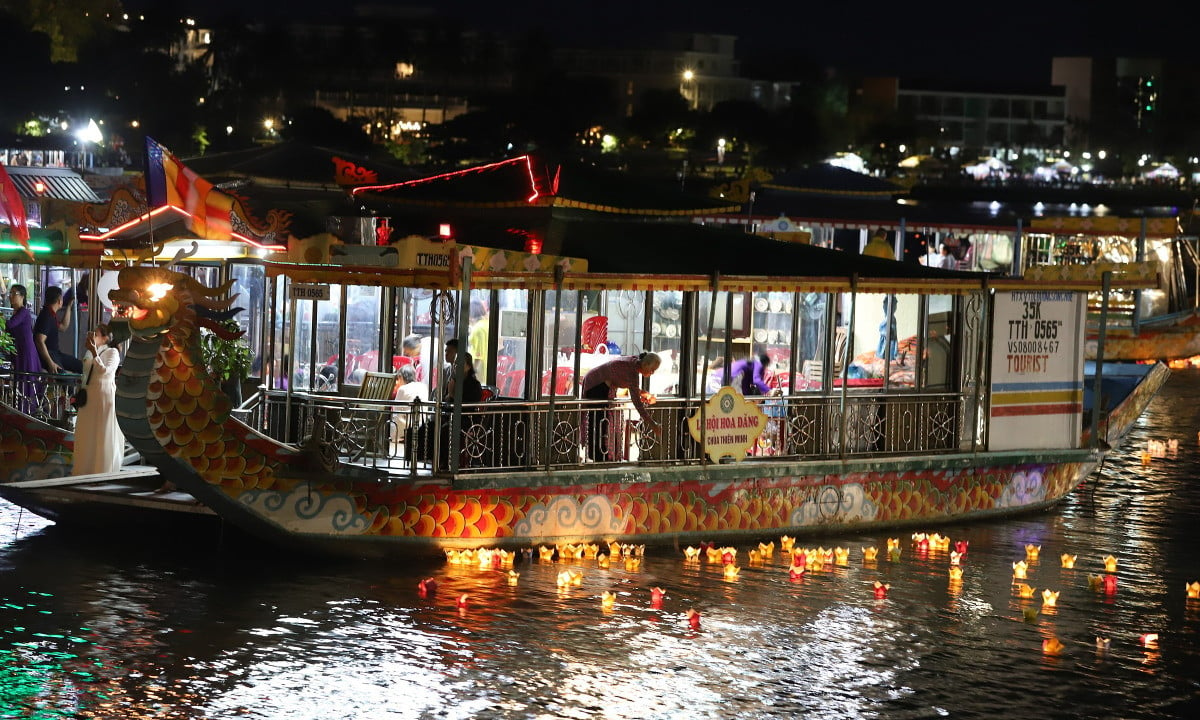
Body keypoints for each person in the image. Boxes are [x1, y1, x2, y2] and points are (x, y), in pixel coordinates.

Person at [581, 352, 661, 461]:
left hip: (601, 385)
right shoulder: (632, 369)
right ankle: (599, 457)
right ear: (645, 364)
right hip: (596, 385)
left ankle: (604, 455)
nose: (652, 373)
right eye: (652, 370)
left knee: (605, 422)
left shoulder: (634, 364)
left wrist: (643, 393)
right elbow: (637, 402)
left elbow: (631, 387)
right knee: (600, 423)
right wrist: (652, 424)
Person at [72, 325, 125, 476]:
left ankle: (101, 469)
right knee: (87, 430)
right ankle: (84, 467)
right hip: (90, 393)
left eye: (96, 334)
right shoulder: (92, 351)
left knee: (101, 431)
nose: (93, 336)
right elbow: (87, 372)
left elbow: (105, 372)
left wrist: (94, 351)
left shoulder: (112, 352)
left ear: (106, 337)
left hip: (103, 393)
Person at [7, 285, 41, 414]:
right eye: (10, 293)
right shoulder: (16, 312)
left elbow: (10, 325)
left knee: (25, 380)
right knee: (19, 379)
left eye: (13, 293)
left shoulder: (23, 312)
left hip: (25, 352)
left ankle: (27, 411)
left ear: (22, 296)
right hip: (18, 352)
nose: (10, 296)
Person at [34, 286, 82, 374]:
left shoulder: (51, 314)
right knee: (67, 379)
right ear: (60, 300)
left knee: (81, 366)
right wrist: (50, 363)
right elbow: (39, 341)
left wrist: (69, 306)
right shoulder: (46, 316)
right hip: (49, 354)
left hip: (56, 353)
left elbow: (63, 326)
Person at [468, 299, 490, 381]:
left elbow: (478, 355)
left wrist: (471, 373)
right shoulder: (487, 324)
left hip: (480, 370)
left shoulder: (477, 329)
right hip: (488, 367)